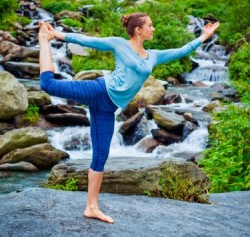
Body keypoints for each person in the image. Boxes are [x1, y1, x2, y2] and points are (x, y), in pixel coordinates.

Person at [38, 13, 220, 223]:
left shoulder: (153, 55)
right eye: (150, 25)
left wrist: (203, 36)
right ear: (138, 29)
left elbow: (181, 51)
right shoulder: (119, 44)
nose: (153, 29)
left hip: (108, 109)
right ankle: (43, 39)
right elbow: (89, 41)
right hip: (98, 90)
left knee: (100, 157)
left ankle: (91, 207)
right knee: (48, 85)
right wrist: (56, 34)